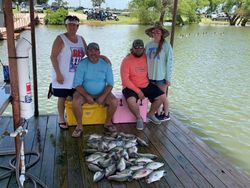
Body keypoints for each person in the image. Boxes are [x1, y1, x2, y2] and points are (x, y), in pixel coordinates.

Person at [72, 42, 118, 137]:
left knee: (114, 101)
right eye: (90, 51)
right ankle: (79, 126)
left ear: (99, 52)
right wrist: (87, 96)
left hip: (102, 92)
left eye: (95, 51)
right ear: (87, 52)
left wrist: (103, 96)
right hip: (84, 92)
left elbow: (110, 84)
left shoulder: (106, 64)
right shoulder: (82, 64)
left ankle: (108, 123)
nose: (93, 53)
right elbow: (77, 84)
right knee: (75, 101)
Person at [50, 15, 87, 130]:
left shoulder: (81, 39)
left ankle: (74, 118)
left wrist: (102, 57)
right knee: (62, 97)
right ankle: (61, 118)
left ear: (78, 26)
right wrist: (58, 74)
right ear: (65, 26)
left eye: (74, 25)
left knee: (76, 97)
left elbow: (89, 54)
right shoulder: (60, 38)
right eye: (69, 24)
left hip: (77, 77)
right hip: (63, 76)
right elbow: (53, 57)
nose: (72, 27)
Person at [120, 39, 166, 130]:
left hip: (146, 85)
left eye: (140, 48)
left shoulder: (147, 57)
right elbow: (125, 80)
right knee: (131, 101)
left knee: (162, 97)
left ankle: (150, 114)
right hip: (130, 87)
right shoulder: (126, 60)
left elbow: (159, 59)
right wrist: (138, 91)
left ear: (143, 49)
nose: (138, 50)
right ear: (132, 49)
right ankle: (139, 118)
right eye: (136, 48)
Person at [145, 22, 174, 121]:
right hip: (150, 76)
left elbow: (169, 63)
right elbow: (143, 59)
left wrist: (168, 78)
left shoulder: (166, 46)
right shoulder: (148, 45)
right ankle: (157, 113)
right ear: (151, 33)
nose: (156, 34)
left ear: (161, 33)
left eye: (158, 32)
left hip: (161, 77)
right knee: (155, 98)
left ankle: (166, 114)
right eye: (154, 32)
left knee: (163, 97)